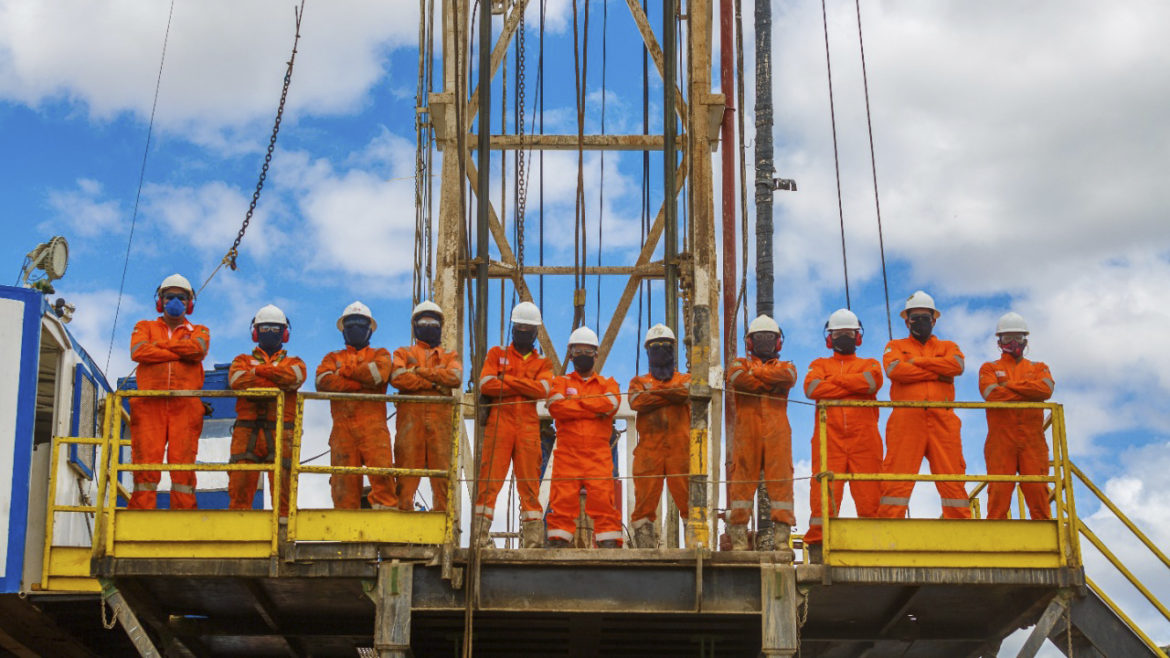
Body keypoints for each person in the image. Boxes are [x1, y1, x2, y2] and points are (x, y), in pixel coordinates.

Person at [878, 291, 971, 519]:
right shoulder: (895, 346)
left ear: (934, 320)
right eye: (915, 317)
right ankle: (890, 525)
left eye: (925, 317)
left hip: (943, 419)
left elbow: (957, 366)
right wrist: (938, 371)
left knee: (952, 476)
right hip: (906, 420)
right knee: (897, 477)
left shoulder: (949, 346)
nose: (920, 322)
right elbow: (895, 370)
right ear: (906, 320)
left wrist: (917, 362)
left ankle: (959, 526)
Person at [802, 309, 883, 563]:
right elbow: (812, 388)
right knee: (823, 496)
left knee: (871, 498)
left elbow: (871, 382)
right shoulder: (818, 364)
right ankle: (819, 547)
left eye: (848, 333)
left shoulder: (870, 364)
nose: (843, 337)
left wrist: (833, 384)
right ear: (830, 338)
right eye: (839, 334)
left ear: (857, 337)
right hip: (830, 441)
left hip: (864, 441)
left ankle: (876, 549)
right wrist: (851, 384)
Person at [474, 301, 554, 548]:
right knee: (489, 482)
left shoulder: (543, 363)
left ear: (535, 332)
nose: (522, 331)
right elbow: (486, 384)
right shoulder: (497, 354)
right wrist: (523, 385)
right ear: (513, 328)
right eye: (519, 327)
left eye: (526, 328)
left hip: (527, 428)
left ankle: (532, 540)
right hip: (500, 426)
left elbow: (542, 390)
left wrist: (506, 381)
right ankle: (479, 537)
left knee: (530, 485)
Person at [127, 274, 210, 509]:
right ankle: (141, 513)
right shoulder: (144, 326)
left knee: (183, 463)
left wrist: (159, 347)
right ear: (160, 301)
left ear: (189, 303)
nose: (175, 301)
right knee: (145, 463)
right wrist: (179, 351)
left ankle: (183, 514)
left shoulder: (200, 330)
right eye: (169, 296)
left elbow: (197, 350)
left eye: (181, 297)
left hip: (185, 405)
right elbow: (138, 352)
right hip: (149, 405)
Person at [315, 301, 398, 509]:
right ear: (343, 330)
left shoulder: (381, 355)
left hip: (374, 429)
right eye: (350, 324)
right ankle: (346, 530)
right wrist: (360, 381)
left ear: (369, 329)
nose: (355, 328)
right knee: (343, 483)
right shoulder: (332, 357)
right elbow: (322, 382)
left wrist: (343, 374)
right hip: (343, 431)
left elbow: (379, 374)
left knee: (383, 477)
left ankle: (386, 524)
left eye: (360, 324)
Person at [545, 327, 623, 548]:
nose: (583, 355)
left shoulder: (609, 384)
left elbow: (611, 404)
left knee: (603, 501)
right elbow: (556, 407)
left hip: (598, 456)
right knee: (562, 500)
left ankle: (609, 544)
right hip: (567, 456)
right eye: (578, 351)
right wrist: (593, 408)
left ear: (596, 355)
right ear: (570, 355)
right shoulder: (560, 382)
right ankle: (559, 541)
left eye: (588, 351)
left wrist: (575, 404)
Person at [726, 315, 797, 550]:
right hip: (747, 435)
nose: (765, 342)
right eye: (760, 338)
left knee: (781, 485)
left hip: (777, 435)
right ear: (750, 342)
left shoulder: (787, 367)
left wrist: (757, 376)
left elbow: (788, 378)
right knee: (742, 486)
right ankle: (738, 540)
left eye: (769, 338)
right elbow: (737, 380)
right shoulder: (739, 365)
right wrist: (770, 382)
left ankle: (781, 541)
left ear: (777, 343)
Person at [227, 305, 306, 516]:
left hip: (282, 433)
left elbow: (294, 379)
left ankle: (283, 536)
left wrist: (257, 373)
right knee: (239, 488)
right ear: (256, 332)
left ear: (284, 333)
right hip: (247, 432)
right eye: (265, 329)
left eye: (275, 329)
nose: (270, 333)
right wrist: (274, 376)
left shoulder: (295, 363)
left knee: (285, 491)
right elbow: (236, 381)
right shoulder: (240, 361)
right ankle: (237, 537)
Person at [979, 312, 1055, 520]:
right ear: (999, 341)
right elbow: (991, 393)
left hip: (1032, 441)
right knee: (999, 492)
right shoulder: (989, 367)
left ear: (1025, 340)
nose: (1013, 343)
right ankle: (995, 536)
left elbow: (1046, 389)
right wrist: (1027, 390)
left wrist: (1008, 386)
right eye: (1007, 338)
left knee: (1038, 490)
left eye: (1017, 338)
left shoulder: (1039, 367)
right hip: (1001, 441)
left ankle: (1043, 533)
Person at [392, 301, 462, 512]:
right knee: (406, 472)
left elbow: (455, 377)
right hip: (410, 424)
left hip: (440, 425)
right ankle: (403, 515)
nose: (428, 325)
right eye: (424, 321)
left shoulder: (450, 356)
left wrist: (419, 373)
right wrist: (434, 383)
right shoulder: (402, 352)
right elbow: (397, 377)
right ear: (415, 326)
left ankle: (442, 516)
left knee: (442, 473)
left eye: (433, 321)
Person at [627, 324, 691, 549]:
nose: (660, 350)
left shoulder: (686, 379)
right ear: (648, 351)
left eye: (665, 346)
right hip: (649, 451)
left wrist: (654, 394)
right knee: (644, 500)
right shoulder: (638, 382)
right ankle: (645, 547)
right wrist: (670, 395)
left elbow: (686, 393)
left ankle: (694, 544)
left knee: (689, 498)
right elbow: (637, 402)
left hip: (680, 450)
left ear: (673, 350)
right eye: (656, 347)